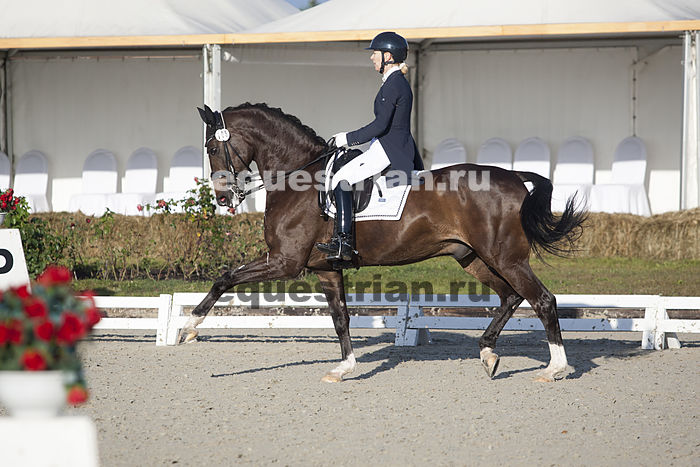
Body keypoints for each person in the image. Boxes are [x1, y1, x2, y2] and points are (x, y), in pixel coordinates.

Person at [316, 31, 424, 263]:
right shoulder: (395, 82)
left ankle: (343, 242)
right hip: (387, 145)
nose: (372, 57)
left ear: (388, 56)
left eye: (375, 53)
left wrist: (347, 138)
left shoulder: (394, 84)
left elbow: (380, 125)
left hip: (388, 147)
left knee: (341, 178)